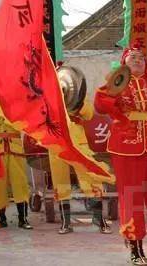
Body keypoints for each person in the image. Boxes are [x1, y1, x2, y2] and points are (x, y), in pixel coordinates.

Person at [95, 44, 147, 265]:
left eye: (141, 57)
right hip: (126, 145)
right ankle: (135, 247)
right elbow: (100, 104)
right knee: (131, 197)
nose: (138, 60)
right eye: (132, 57)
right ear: (124, 61)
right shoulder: (117, 83)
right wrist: (116, 102)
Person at [48, 99, 111, 234]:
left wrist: (76, 101)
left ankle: (99, 218)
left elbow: (89, 114)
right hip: (56, 138)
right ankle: (66, 221)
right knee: (60, 180)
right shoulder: (47, 93)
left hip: (78, 139)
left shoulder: (76, 91)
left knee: (90, 176)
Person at [0, 116, 32, 230]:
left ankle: (23, 219)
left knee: (20, 184)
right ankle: (1, 219)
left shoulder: (16, 104)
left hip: (16, 150)